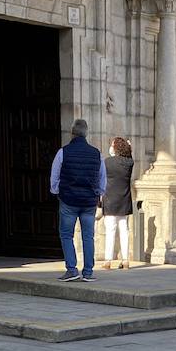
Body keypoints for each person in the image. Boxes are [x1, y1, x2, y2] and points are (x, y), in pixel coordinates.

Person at [49, 119, 106, 282]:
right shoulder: (97, 153)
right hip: (89, 201)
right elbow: (102, 178)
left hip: (69, 199)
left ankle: (72, 270)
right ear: (86, 133)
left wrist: (56, 191)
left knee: (67, 234)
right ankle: (88, 271)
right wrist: (99, 193)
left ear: (72, 133)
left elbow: (55, 175)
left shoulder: (63, 152)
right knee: (88, 236)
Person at [101, 137, 134, 270]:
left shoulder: (107, 162)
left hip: (110, 200)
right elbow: (129, 158)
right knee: (124, 230)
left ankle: (108, 260)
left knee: (110, 230)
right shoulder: (129, 162)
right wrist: (129, 149)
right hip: (124, 200)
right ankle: (125, 260)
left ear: (115, 148)